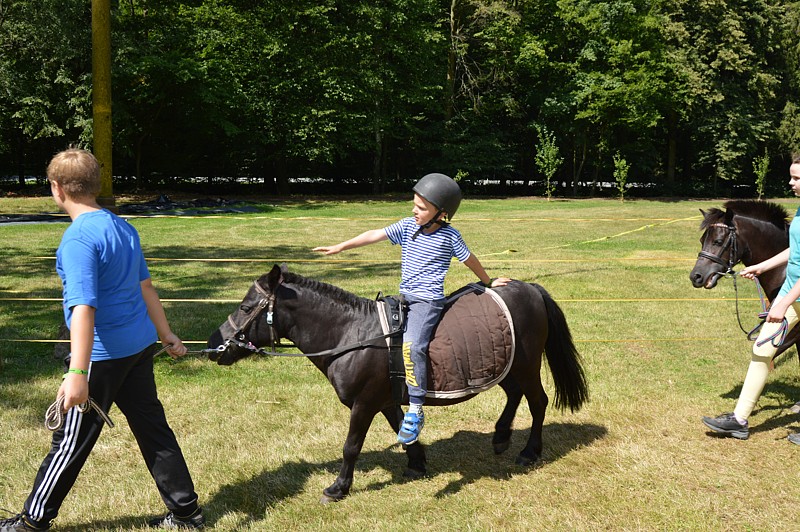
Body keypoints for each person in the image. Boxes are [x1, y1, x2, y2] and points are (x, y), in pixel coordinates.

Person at [0, 149, 204, 531]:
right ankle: (187, 512)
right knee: (153, 429)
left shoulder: (78, 239)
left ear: (56, 189)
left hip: (103, 358)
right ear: (95, 185)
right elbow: (146, 287)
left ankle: (32, 522)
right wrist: (166, 334)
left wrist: (77, 371)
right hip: (138, 347)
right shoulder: (123, 226)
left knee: (70, 443)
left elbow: (83, 308)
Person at [313, 173, 511, 445]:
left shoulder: (450, 236)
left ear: (441, 214)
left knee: (412, 347)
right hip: (404, 297)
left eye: (421, 207)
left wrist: (488, 281)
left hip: (426, 303)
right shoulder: (408, 227)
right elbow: (376, 234)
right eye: (414, 204)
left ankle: (415, 409)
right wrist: (342, 246)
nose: (414, 210)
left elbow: (469, 259)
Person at [703, 155, 800, 443]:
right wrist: (763, 265)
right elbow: (795, 251)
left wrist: (783, 303)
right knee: (763, 348)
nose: (791, 182)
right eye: (792, 176)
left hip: (792, 295)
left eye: (796, 178)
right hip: (791, 289)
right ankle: (739, 420)